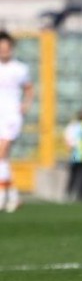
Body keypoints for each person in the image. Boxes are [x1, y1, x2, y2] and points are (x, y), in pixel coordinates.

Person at [0, 31, 33, 212]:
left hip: (11, 116)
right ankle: (12, 195)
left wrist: (25, 105)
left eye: (6, 48)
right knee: (2, 159)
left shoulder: (20, 68)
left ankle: (2, 197)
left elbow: (29, 88)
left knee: (1, 152)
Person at [62, 109, 82, 201]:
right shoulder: (76, 126)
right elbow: (70, 140)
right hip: (75, 154)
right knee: (74, 173)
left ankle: (76, 193)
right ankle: (70, 193)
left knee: (78, 175)